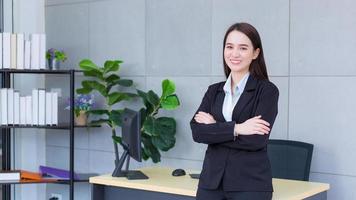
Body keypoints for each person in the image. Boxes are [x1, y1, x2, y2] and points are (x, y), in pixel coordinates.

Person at [190, 22, 279, 200]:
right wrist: (237, 129)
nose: (234, 54)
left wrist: (215, 128)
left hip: (250, 185)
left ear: (255, 53)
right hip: (211, 184)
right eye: (229, 47)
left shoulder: (267, 91)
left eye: (243, 48)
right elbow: (198, 132)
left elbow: (256, 140)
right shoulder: (214, 91)